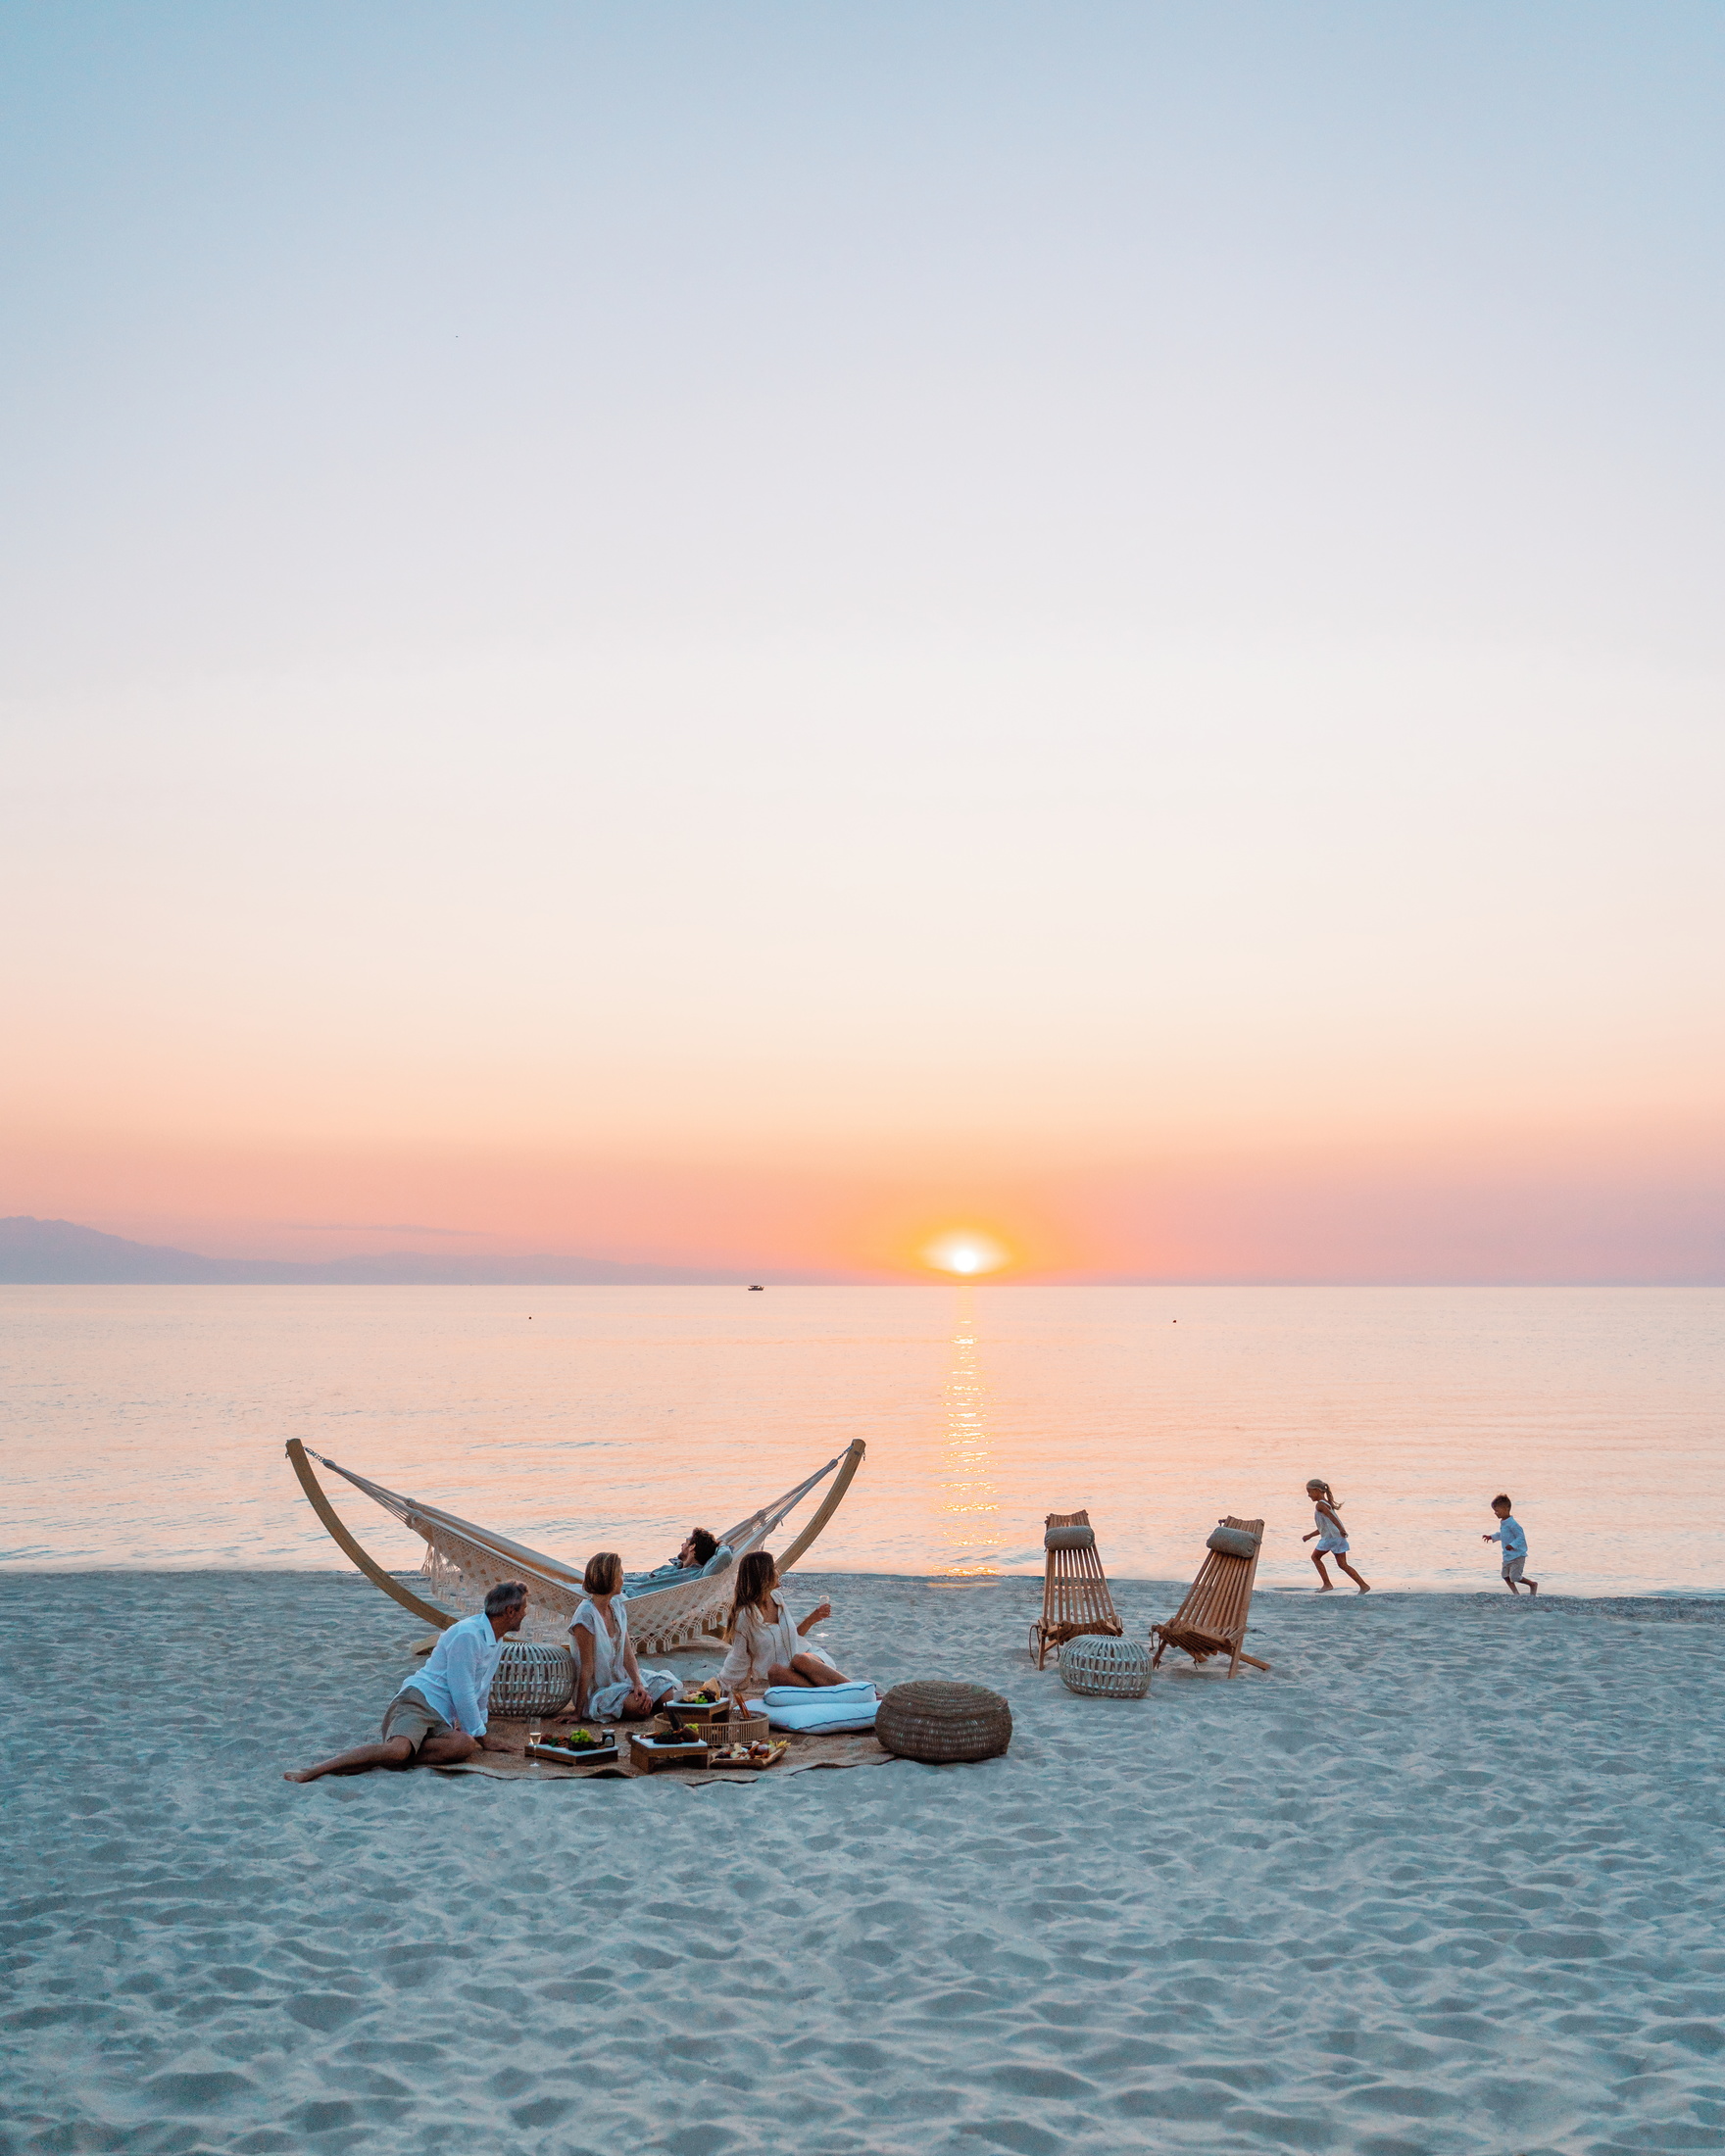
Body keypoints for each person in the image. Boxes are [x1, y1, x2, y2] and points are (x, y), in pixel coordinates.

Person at [285, 1581, 527, 1783]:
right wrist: (483, 1737)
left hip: (442, 1714)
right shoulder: (468, 1635)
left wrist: (479, 1729)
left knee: (464, 1745)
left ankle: (398, 1756)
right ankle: (316, 1770)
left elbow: (481, 1688)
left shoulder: (496, 1640)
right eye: (524, 1608)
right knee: (397, 1750)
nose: (526, 1613)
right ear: (510, 1611)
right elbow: (462, 1689)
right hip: (419, 1701)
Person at [718, 1550, 851, 1696]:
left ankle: (859, 1690)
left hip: (809, 1663)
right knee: (775, 1671)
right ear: (764, 1575)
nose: (777, 1572)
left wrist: (813, 1618)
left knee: (800, 1659)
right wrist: (722, 1687)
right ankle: (843, 1694)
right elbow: (738, 1657)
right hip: (785, 1676)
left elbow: (793, 1637)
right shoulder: (745, 1616)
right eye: (773, 1568)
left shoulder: (776, 1598)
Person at [569, 1551, 682, 1720]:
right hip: (600, 1690)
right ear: (610, 1578)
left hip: (624, 1679)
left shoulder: (617, 1606)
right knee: (640, 1709)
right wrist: (578, 1712)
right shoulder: (586, 1615)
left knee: (671, 1698)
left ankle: (643, 1698)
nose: (623, 1578)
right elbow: (587, 1667)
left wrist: (638, 1683)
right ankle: (639, 1702)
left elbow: (628, 1655)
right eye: (620, 1574)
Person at [1302, 1479, 1371, 1592]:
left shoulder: (1320, 1505)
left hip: (1332, 1538)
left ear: (1317, 1491)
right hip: (1337, 1537)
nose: (1308, 1495)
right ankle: (1363, 1585)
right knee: (1343, 1564)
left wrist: (1341, 1529)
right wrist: (1310, 1535)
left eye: (1309, 1492)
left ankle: (1327, 1584)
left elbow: (1332, 1518)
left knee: (1315, 1557)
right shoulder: (1327, 1504)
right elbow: (1325, 1527)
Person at [622, 1527, 722, 1596]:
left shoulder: (696, 1575)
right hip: (623, 1588)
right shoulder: (672, 1568)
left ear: (692, 1547)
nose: (682, 1545)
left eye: (686, 1542)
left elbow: (725, 1556)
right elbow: (640, 1580)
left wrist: (723, 1544)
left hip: (626, 1599)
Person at [1483, 1494, 1539, 1595]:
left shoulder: (1512, 1523)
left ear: (1505, 1509)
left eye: (1497, 1510)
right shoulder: (1504, 1522)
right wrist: (1491, 1537)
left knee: (1515, 1577)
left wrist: (1513, 1545)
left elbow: (1521, 1537)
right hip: (1507, 1556)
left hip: (1517, 1555)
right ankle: (1516, 1594)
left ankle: (1532, 1584)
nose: (1495, 1513)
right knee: (1505, 1575)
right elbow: (1503, 1535)